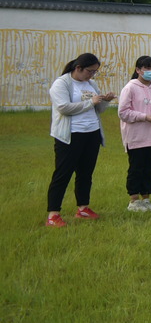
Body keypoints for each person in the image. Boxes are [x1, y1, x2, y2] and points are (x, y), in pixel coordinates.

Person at [45, 53, 115, 227]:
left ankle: (83, 208)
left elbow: (98, 109)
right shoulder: (62, 83)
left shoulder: (91, 84)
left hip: (91, 133)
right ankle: (53, 214)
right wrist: (91, 102)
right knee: (63, 174)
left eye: (95, 72)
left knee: (85, 173)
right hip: (70, 135)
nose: (92, 75)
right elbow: (63, 108)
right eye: (90, 71)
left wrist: (105, 101)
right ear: (78, 68)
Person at [118, 56, 151, 212]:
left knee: (149, 169)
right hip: (136, 137)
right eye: (147, 68)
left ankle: (146, 198)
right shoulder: (130, 88)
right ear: (138, 70)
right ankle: (133, 200)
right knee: (136, 169)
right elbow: (123, 112)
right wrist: (144, 117)